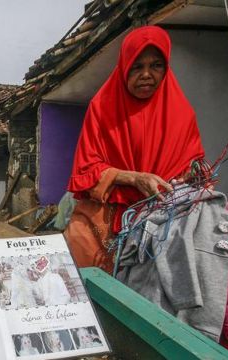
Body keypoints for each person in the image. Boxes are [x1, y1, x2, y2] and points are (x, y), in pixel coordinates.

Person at [64, 26, 205, 272]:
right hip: (103, 221)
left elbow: (192, 169)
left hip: (164, 222)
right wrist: (133, 178)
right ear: (124, 66)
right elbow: (85, 171)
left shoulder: (182, 115)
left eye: (156, 65)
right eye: (137, 66)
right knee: (83, 278)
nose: (147, 74)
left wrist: (192, 179)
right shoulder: (102, 108)